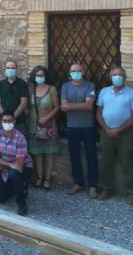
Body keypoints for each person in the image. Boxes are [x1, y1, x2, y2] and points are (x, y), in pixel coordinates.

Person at [96, 65, 133, 205]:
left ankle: (131, 192)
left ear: (125, 77)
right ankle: (106, 188)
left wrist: (118, 130)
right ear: (110, 77)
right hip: (106, 132)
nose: (117, 77)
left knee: (127, 162)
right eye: (114, 75)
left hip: (125, 133)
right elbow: (98, 112)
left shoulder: (132, 93)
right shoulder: (104, 92)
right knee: (106, 162)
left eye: (120, 75)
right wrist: (106, 129)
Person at [60, 63, 98, 198]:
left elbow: (89, 106)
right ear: (69, 73)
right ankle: (78, 182)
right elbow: (63, 107)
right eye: (73, 71)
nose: (75, 73)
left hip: (88, 126)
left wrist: (70, 106)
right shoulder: (65, 86)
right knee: (74, 156)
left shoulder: (90, 86)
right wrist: (81, 105)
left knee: (91, 156)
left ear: (83, 72)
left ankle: (93, 185)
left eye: (78, 71)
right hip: (72, 126)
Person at [0, 110, 33, 215]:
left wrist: (1, 165)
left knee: (14, 174)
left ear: (14, 121)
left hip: (24, 167)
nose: (7, 123)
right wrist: (9, 165)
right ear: (1, 122)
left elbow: (19, 164)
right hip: (8, 168)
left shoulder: (20, 137)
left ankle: (21, 202)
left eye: (10, 121)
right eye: (5, 121)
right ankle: (17, 187)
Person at [27, 65, 59, 190]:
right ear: (34, 77)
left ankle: (47, 179)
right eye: (37, 75)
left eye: (41, 75)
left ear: (46, 76)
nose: (39, 77)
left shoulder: (51, 89)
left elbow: (57, 107)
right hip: (34, 126)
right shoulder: (31, 90)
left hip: (48, 126)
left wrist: (47, 117)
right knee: (38, 153)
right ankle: (40, 177)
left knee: (49, 153)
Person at [0, 60, 29, 136]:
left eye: (12, 68)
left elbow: (23, 103)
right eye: (8, 68)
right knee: (2, 142)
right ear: (5, 69)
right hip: (4, 121)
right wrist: (5, 117)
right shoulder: (1, 84)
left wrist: (12, 117)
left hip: (19, 121)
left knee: (20, 142)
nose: (10, 69)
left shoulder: (22, 84)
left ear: (16, 69)